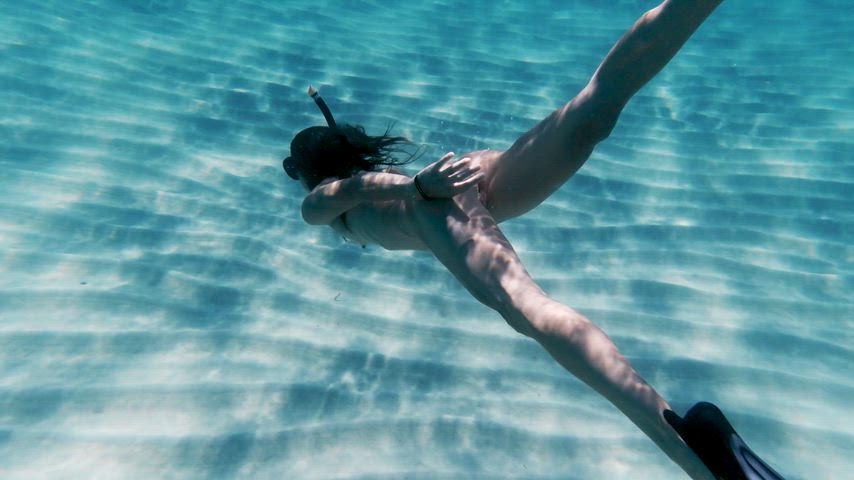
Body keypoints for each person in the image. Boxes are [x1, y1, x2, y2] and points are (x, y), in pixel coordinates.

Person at [283, 2, 786, 479]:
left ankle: (691, 452)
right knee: (591, 110)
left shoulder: (324, 207)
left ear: (303, 173)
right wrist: (417, 182)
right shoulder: (357, 192)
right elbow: (356, 181)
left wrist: (416, 188)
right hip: (473, 177)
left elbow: (345, 189)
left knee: (530, 311)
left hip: (434, 204)